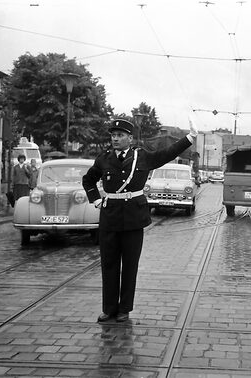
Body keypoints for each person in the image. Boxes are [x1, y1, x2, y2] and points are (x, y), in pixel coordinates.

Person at [82, 118, 197, 323]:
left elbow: (166, 154)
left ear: (130, 138)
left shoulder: (141, 157)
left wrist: (189, 138)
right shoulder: (104, 158)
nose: (115, 139)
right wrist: (96, 200)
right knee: (108, 265)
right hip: (109, 218)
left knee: (129, 265)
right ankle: (109, 308)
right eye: (113, 135)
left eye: (120, 136)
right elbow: (88, 179)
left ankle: (124, 309)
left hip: (134, 218)